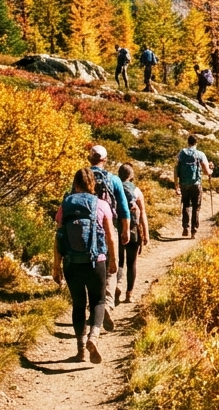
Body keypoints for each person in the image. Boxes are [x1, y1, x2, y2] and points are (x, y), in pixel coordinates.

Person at [53, 167, 117, 364]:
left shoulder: (66, 204)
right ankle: (93, 337)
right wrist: (113, 260)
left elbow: (58, 236)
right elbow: (110, 237)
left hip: (72, 263)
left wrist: (56, 266)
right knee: (97, 301)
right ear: (93, 184)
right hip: (96, 261)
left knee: (78, 304)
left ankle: (80, 348)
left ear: (75, 183)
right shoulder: (101, 205)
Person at [88, 145, 131, 329]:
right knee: (110, 267)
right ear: (104, 160)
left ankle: (93, 308)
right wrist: (125, 230)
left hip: (86, 230)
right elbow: (123, 208)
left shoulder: (82, 176)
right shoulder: (113, 179)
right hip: (108, 229)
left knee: (90, 268)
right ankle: (106, 304)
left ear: (90, 159)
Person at [116, 163, 149, 305]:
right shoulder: (136, 191)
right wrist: (146, 233)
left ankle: (116, 285)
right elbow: (142, 214)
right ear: (131, 175)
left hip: (117, 229)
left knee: (119, 261)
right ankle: (129, 294)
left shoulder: (114, 189)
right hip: (133, 230)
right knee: (132, 262)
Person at [175, 133, 212, 238]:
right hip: (196, 184)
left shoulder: (181, 153)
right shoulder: (200, 154)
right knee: (196, 207)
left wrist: (176, 186)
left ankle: (185, 227)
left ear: (188, 142)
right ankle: (193, 231)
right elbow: (206, 171)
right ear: (196, 143)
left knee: (186, 205)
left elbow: (176, 169)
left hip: (184, 184)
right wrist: (211, 171)